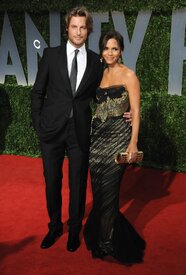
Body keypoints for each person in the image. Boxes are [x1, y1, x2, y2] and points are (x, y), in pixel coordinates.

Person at [31, 6, 103, 252]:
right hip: (51, 131)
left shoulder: (96, 61)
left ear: (88, 30)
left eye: (83, 27)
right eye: (74, 26)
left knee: (78, 182)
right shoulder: (51, 55)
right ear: (67, 28)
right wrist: (38, 125)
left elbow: (98, 98)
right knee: (52, 181)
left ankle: (74, 230)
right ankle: (54, 227)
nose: (79, 31)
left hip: (79, 132)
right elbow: (38, 92)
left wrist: (122, 108)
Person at [83, 30, 146, 264]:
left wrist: (133, 142)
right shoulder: (97, 74)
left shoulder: (129, 75)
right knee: (98, 191)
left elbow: (137, 112)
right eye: (106, 48)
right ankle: (103, 231)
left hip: (119, 139)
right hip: (97, 140)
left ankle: (107, 243)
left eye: (115, 48)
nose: (110, 52)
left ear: (121, 51)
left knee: (109, 191)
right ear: (101, 50)